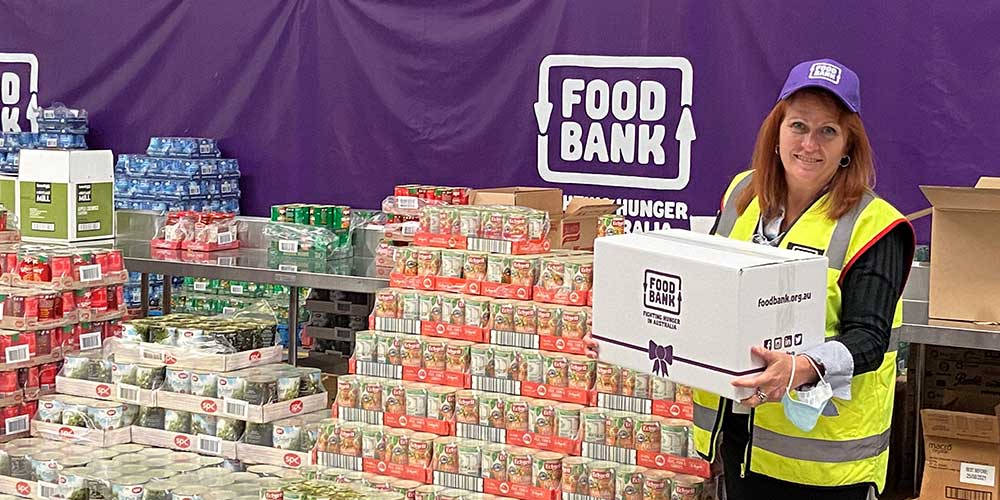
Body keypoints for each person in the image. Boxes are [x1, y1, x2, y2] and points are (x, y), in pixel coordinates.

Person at [588, 58, 914, 500]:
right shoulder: (743, 195)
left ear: (847, 148)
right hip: (739, 445)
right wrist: (626, 333)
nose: (809, 144)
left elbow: (869, 339)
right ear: (776, 132)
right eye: (798, 126)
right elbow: (707, 297)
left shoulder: (874, 226)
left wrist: (804, 366)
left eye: (828, 132)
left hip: (824, 470)